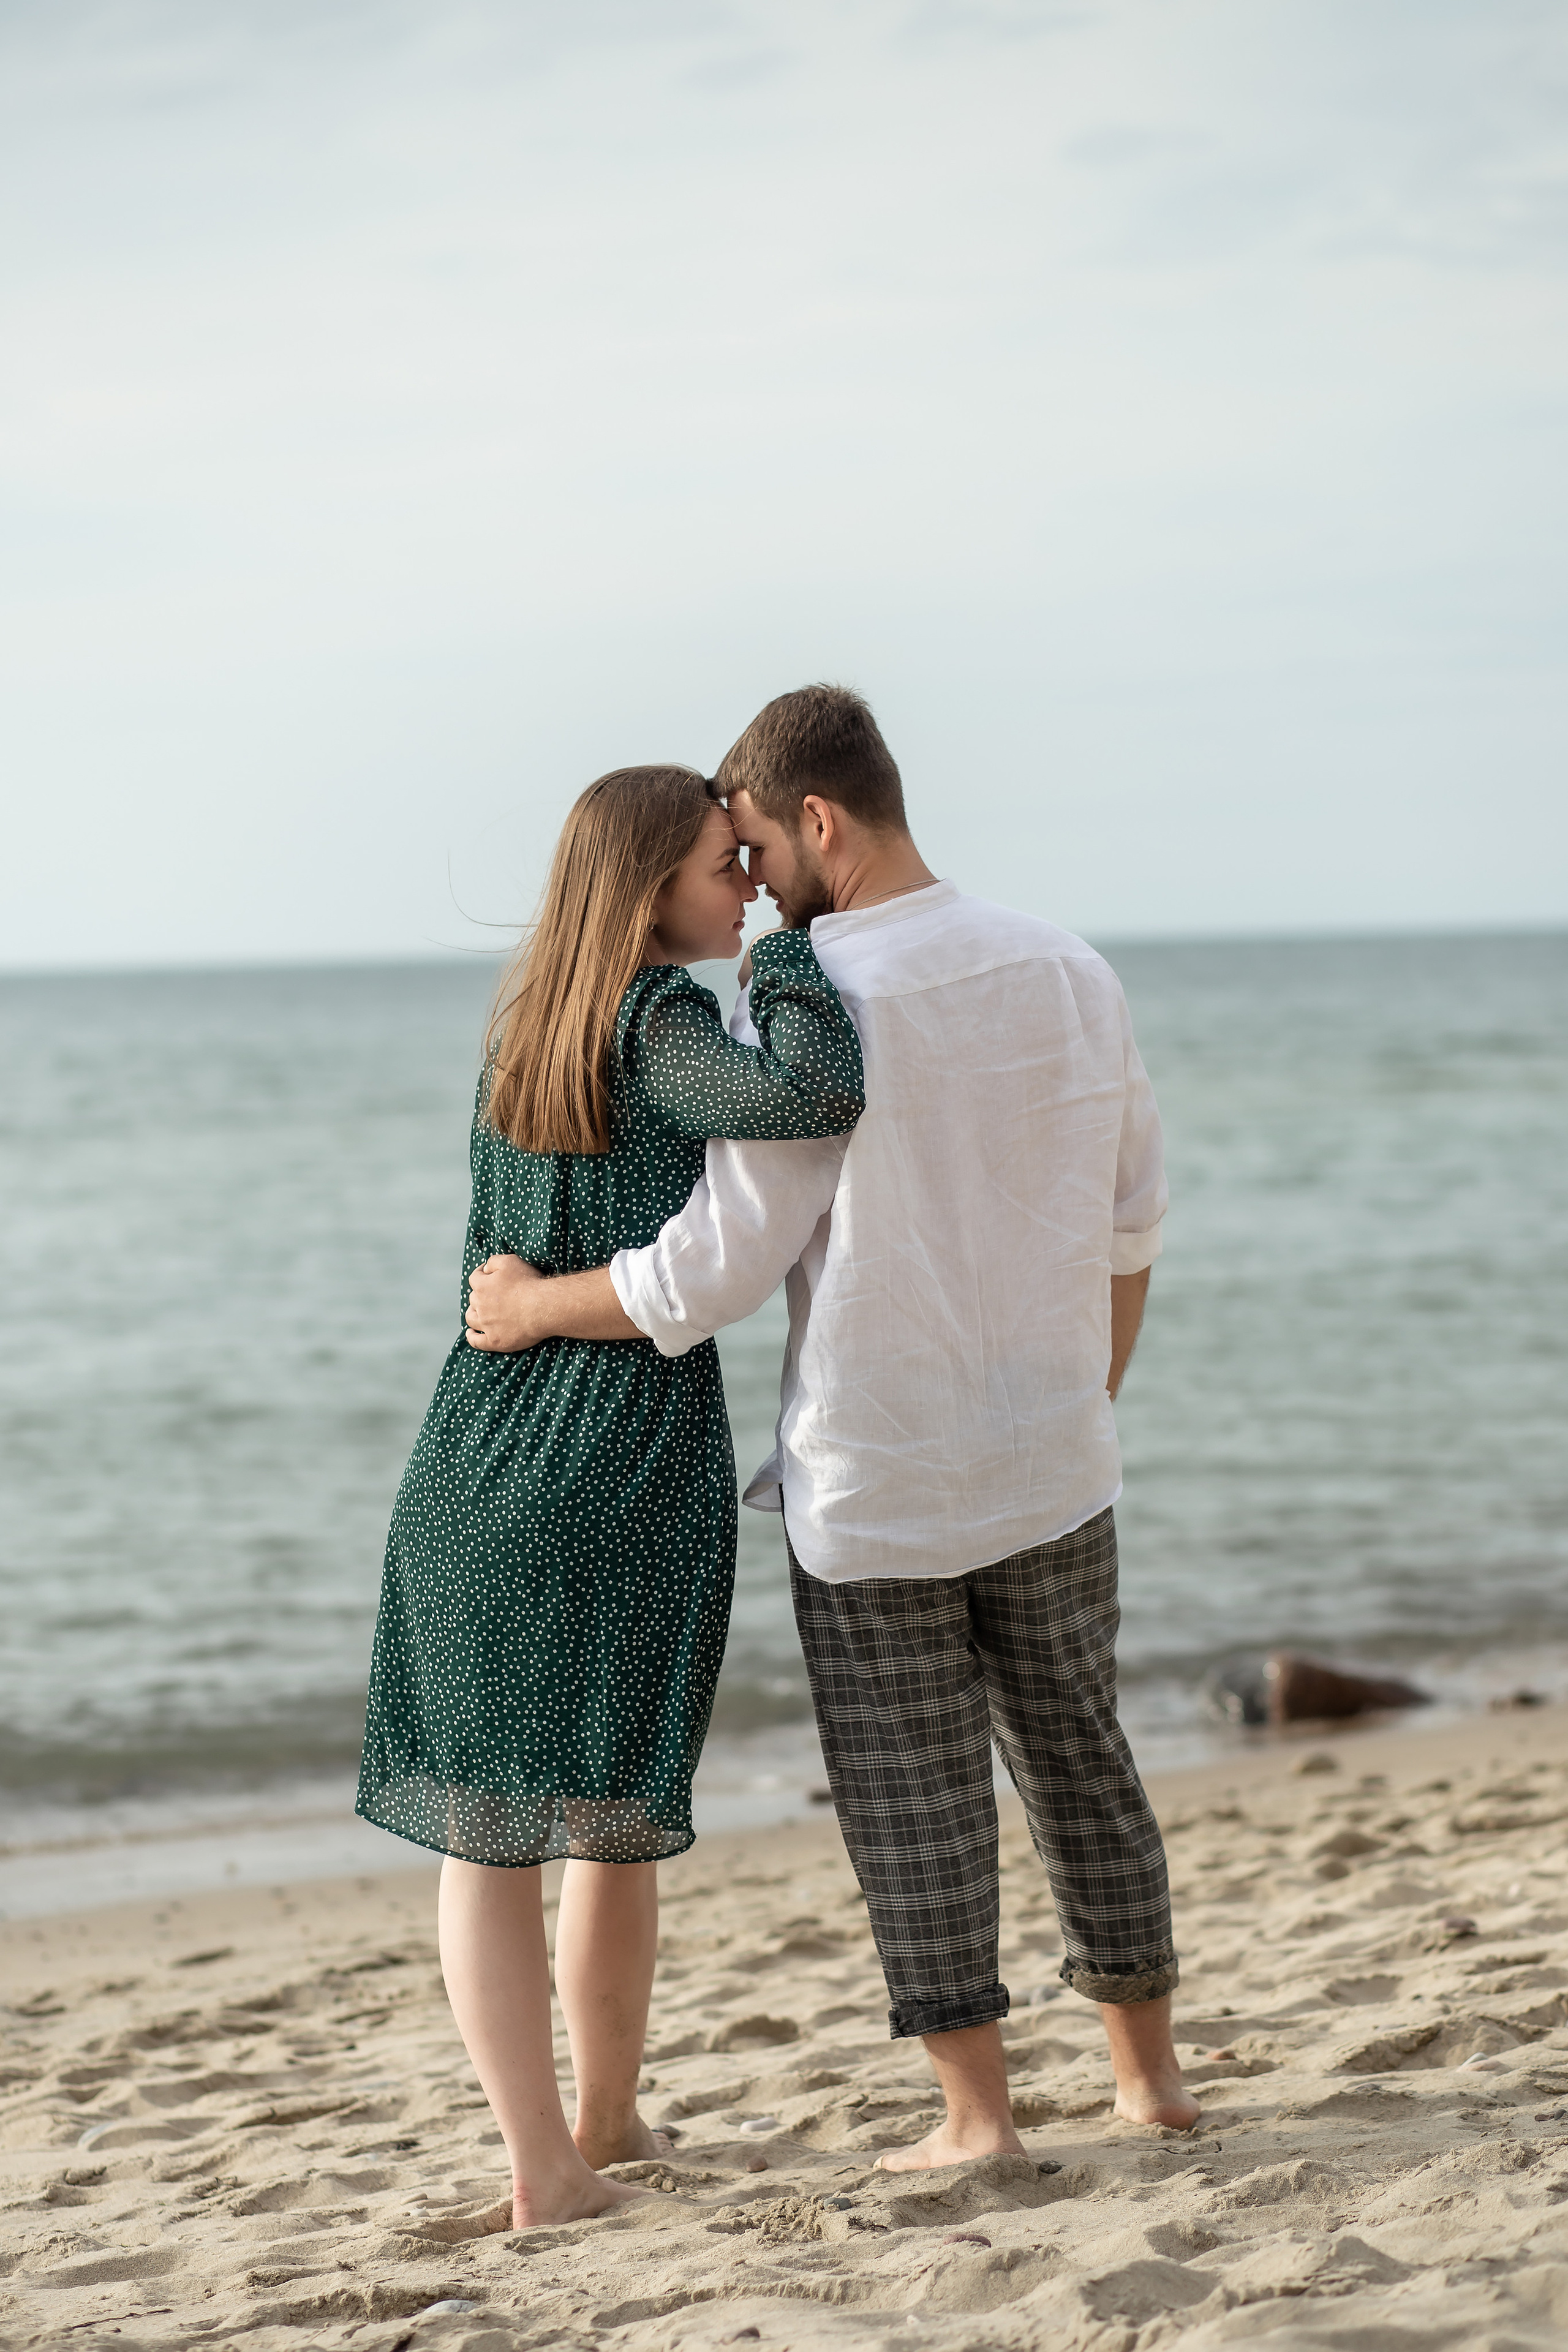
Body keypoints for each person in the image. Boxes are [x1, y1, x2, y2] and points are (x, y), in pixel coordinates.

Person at [467, 687, 1201, 2165]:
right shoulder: (1066, 966)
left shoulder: (807, 1000)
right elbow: (1130, 1223)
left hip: (874, 1481)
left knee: (910, 1802)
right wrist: (1085, 1401)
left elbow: (717, 1270)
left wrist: (538, 1305)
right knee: (1082, 1764)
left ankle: (977, 2122)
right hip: (1056, 1460)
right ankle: (1148, 2083)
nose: (748, 882)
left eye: (750, 846)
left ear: (816, 820)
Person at [356, 764, 864, 2229]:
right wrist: (794, 954)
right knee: (610, 1809)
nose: (745, 886)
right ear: (647, 890)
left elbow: (501, 1264)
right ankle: (558, 2160)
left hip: (473, 1459)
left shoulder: (525, 1028)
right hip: (615, 1458)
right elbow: (814, 1093)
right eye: (722, 867)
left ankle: (592, 2131)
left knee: (502, 1834)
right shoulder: (657, 1023)